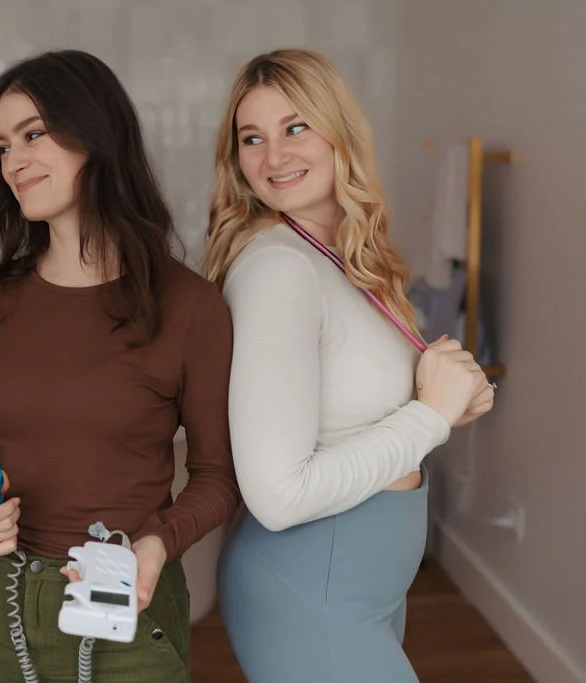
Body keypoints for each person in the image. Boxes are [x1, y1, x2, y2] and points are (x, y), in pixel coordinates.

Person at [0, 49, 241, 683]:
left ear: (96, 135)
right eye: (1, 147)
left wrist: (157, 545)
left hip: (128, 602)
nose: (14, 162)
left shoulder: (190, 306)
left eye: (33, 135)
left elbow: (218, 475)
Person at [204, 48, 495, 682]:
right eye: (252, 138)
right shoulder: (279, 269)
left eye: (296, 126)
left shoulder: (347, 258)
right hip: (312, 589)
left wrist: (446, 405)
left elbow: (356, 415)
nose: (274, 157)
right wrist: (429, 416)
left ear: (341, 131)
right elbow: (278, 497)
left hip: (359, 589)